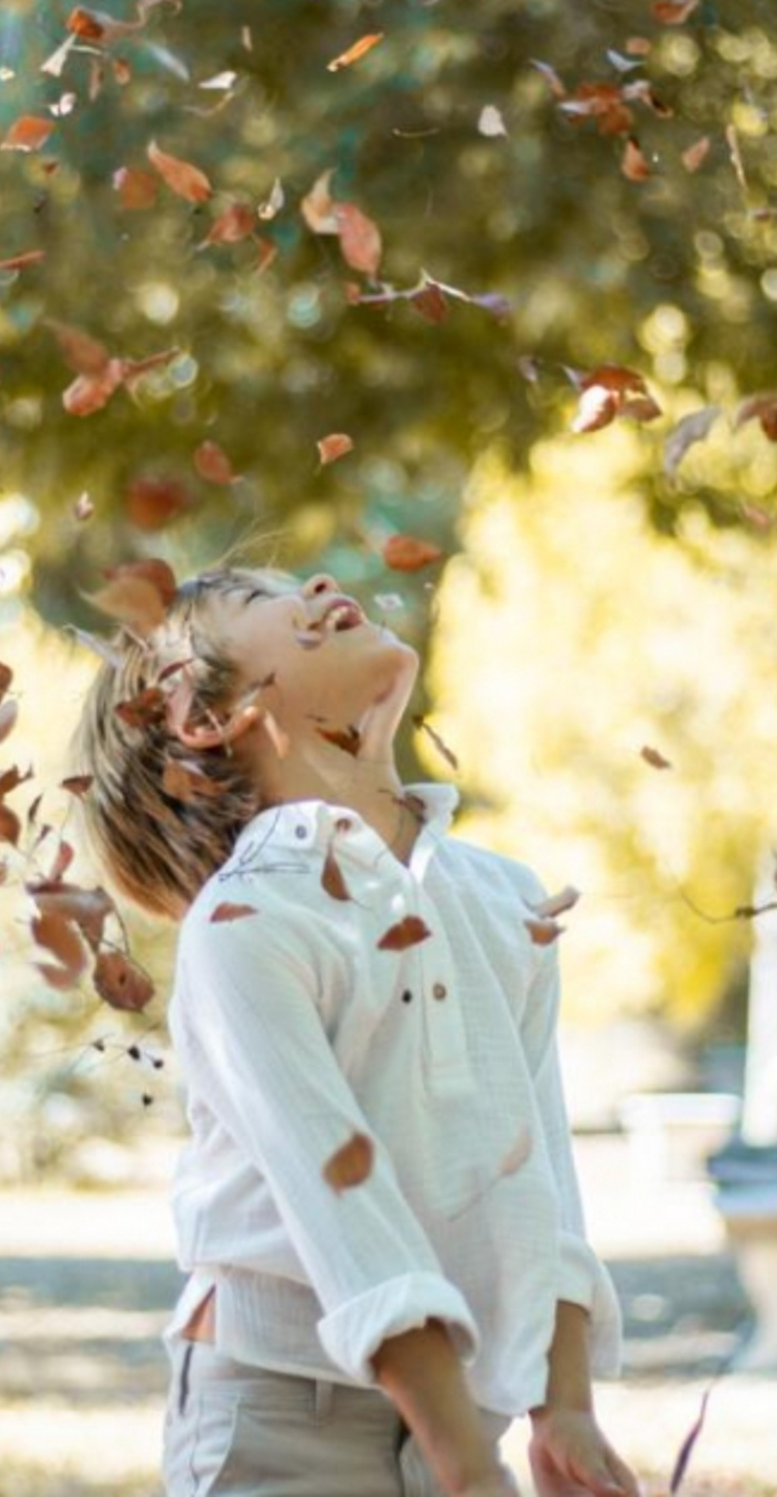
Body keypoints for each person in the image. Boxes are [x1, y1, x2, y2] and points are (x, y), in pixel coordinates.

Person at [74, 563, 639, 1497]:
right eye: (261, 601)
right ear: (206, 717)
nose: (321, 583)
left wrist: (563, 1406)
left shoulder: (504, 898)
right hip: (277, 1421)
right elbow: (348, 1217)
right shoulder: (243, 928)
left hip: (461, 1413)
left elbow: (540, 1173)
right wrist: (468, 1463)